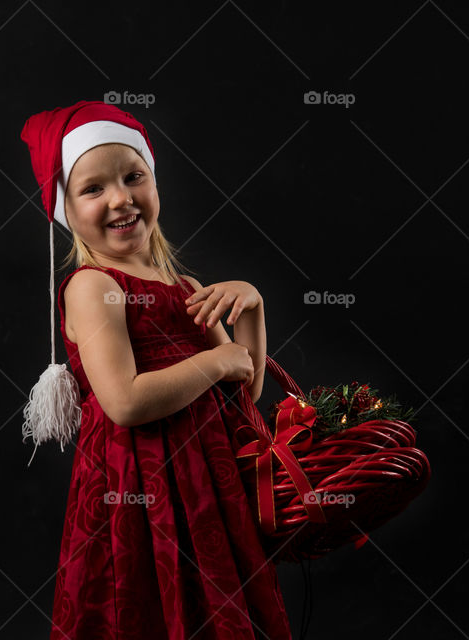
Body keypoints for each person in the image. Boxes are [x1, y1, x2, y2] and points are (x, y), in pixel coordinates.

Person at [20, 100, 291, 640]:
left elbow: (243, 393)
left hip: (208, 490)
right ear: (65, 210)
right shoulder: (93, 287)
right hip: (137, 491)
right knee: (142, 608)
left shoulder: (187, 290)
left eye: (133, 176)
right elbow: (124, 401)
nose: (120, 198)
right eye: (93, 189)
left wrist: (253, 313)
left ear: (154, 183)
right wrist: (213, 360)